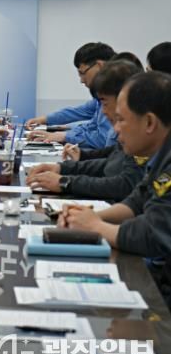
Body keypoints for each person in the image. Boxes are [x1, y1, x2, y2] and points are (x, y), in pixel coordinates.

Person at [59, 71, 171, 259]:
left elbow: (153, 234)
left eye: (121, 120)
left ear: (149, 122)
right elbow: (137, 201)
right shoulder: (159, 156)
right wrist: (91, 217)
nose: (116, 129)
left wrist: (95, 227)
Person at [25, 59, 144, 201]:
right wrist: (63, 168)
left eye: (104, 103)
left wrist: (66, 182)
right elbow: (111, 161)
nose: (103, 111)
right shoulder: (131, 135)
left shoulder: (142, 139)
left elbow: (124, 185)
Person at [26, 42, 116, 148]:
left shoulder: (115, 96)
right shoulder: (101, 98)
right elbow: (83, 116)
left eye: (82, 73)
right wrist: (49, 123)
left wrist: (65, 136)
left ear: (99, 65)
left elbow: (104, 139)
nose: (82, 80)